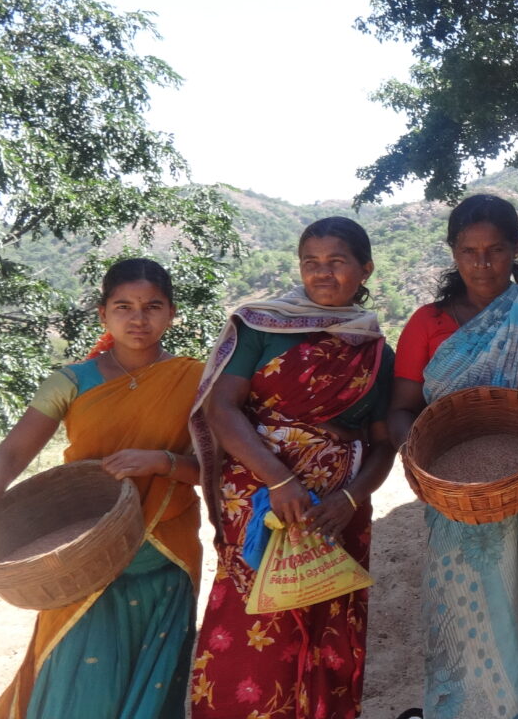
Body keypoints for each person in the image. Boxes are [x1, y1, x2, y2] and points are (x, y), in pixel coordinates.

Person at [0, 258, 206, 719]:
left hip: (165, 548)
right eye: (123, 306)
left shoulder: (199, 380)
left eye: (153, 306)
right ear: (102, 314)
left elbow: (220, 472)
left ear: (172, 314)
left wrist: (165, 462)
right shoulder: (72, 381)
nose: (138, 318)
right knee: (74, 673)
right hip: (85, 553)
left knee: (156, 680)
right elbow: (12, 453)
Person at [188, 217, 397, 719]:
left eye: (337, 262)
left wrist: (349, 501)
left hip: (336, 514)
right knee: (253, 622)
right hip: (260, 503)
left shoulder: (375, 352)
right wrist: (279, 480)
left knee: (328, 620)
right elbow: (222, 410)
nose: (322, 274)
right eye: (311, 263)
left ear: (365, 269)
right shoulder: (260, 325)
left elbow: (383, 444)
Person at [387, 195, 518, 719]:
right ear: (453, 252)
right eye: (468, 251)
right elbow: (402, 410)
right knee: (466, 617)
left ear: (516, 249)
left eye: (495, 250)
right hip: (455, 507)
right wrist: (427, 466)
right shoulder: (426, 325)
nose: (482, 263)